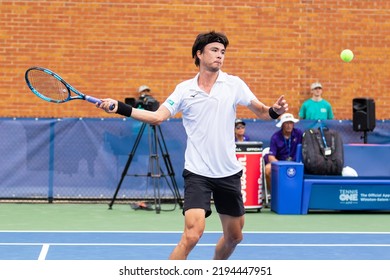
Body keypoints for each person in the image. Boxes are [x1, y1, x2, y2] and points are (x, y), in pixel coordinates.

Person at [98, 31, 288, 260]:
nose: (220, 56)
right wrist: (120, 108)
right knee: (192, 234)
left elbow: (262, 111)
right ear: (199, 54)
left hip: (228, 172)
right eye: (214, 50)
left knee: (235, 237)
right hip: (198, 172)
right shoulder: (184, 90)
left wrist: (275, 111)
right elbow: (158, 116)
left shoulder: (234, 84)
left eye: (223, 52)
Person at [264, 113, 303, 193]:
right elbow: (271, 157)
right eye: (286, 123)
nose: (289, 125)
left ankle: (297, 193)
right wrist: (282, 166)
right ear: (282, 125)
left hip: (296, 163)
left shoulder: (299, 133)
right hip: (280, 163)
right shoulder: (275, 137)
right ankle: (273, 194)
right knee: (267, 169)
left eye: (291, 123)